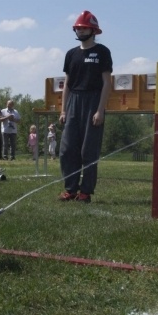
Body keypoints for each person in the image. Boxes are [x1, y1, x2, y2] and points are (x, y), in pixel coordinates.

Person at [58, 11, 113, 204]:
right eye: (78, 28)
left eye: (84, 28)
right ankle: (70, 189)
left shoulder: (102, 52)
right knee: (67, 149)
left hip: (93, 101)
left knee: (88, 151)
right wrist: (63, 110)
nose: (81, 31)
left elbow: (107, 82)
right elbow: (67, 83)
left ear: (93, 30)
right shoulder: (71, 54)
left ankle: (86, 192)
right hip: (74, 101)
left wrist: (100, 109)